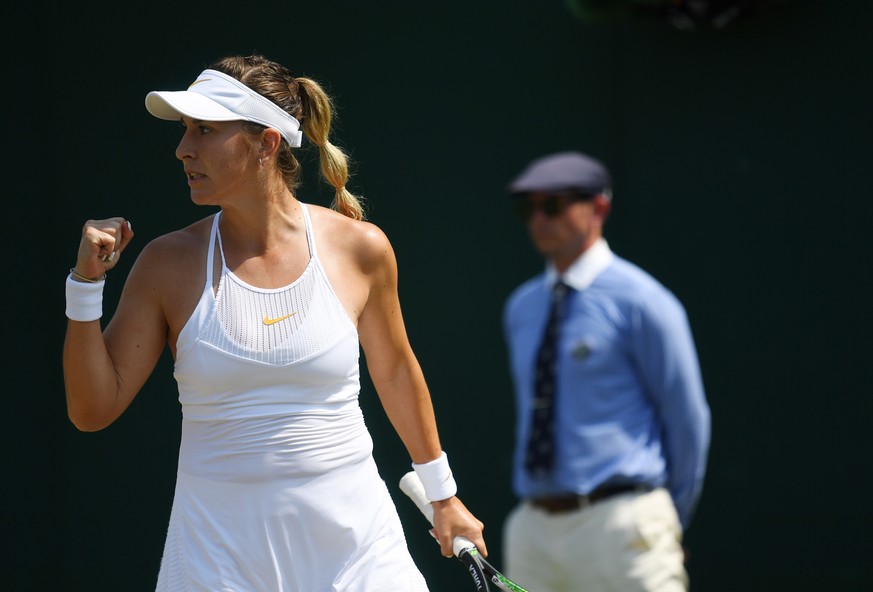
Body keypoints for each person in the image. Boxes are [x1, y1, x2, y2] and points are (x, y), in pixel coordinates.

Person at [62, 54, 486, 591]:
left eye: (206, 130)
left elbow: (397, 372)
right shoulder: (166, 263)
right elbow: (91, 411)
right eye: (185, 130)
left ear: (266, 142)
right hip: (218, 562)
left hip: (359, 554)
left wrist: (444, 495)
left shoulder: (361, 248)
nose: (183, 147)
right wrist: (85, 288)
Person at [500, 151, 711, 592]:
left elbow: (687, 420)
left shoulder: (644, 302)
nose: (539, 218)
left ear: (598, 207)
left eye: (552, 205)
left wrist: (667, 517)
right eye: (527, 208)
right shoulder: (522, 307)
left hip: (620, 523)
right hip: (533, 528)